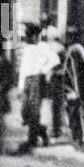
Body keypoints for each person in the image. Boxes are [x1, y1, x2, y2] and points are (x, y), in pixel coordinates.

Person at [17, 23, 60, 153]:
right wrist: (20, 86)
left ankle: (32, 140)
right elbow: (23, 68)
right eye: (28, 36)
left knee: (34, 110)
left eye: (33, 36)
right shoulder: (26, 48)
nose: (31, 39)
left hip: (37, 79)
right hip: (27, 80)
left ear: (37, 36)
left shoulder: (43, 47)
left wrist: (43, 69)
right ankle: (41, 130)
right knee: (25, 111)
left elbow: (55, 60)